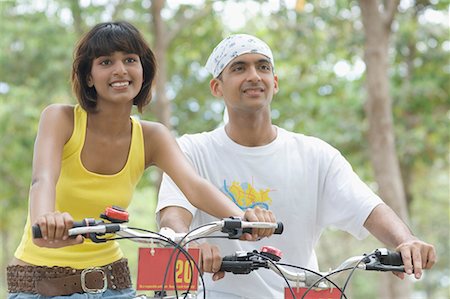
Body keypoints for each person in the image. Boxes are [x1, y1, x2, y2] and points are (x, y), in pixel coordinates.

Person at [156, 34, 437, 298]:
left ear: (274, 82)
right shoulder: (191, 150)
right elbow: (172, 218)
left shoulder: (315, 155)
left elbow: (368, 207)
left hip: (297, 291)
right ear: (217, 87)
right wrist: (191, 244)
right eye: (239, 68)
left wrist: (405, 240)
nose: (254, 76)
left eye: (262, 67)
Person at [6, 24, 275, 299]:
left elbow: (193, 186)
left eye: (130, 60)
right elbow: (43, 179)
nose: (120, 70)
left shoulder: (152, 136)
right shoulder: (60, 119)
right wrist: (45, 220)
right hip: (39, 286)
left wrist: (242, 218)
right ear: (89, 76)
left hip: (112, 285)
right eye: (106, 62)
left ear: (143, 71)